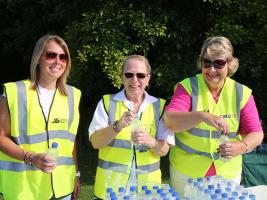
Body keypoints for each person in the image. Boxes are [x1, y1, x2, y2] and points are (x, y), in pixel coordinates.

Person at [164, 36, 264, 196]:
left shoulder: (241, 92)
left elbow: (256, 133)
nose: (211, 69)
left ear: (230, 64)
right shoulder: (188, 87)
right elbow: (170, 120)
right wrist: (203, 116)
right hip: (187, 172)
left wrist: (242, 146)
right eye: (206, 62)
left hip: (227, 174)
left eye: (219, 63)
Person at [0, 34, 81, 200]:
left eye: (63, 57)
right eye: (51, 55)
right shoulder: (15, 92)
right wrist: (31, 157)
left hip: (61, 188)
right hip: (24, 189)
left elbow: (69, 143)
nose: (58, 61)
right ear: (38, 59)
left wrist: (76, 174)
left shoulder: (73, 95)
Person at [89, 54, 174, 199]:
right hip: (111, 191)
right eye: (129, 75)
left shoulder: (160, 106)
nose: (135, 80)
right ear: (122, 77)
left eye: (140, 75)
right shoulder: (106, 102)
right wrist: (117, 126)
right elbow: (95, 142)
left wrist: (150, 141)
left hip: (148, 192)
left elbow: (164, 150)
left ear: (148, 78)